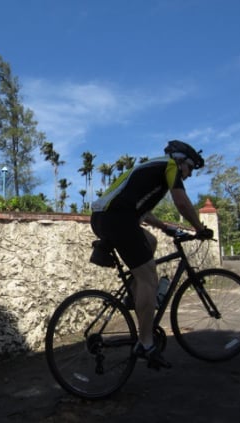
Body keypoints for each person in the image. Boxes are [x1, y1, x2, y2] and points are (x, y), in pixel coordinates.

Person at [89, 140, 213, 370]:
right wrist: (199, 228)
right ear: (180, 160)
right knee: (150, 279)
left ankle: (134, 295)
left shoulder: (152, 168)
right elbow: (182, 202)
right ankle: (146, 344)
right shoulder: (170, 166)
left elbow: (141, 211)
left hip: (107, 217)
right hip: (117, 219)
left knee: (151, 241)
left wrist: (165, 227)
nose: (189, 175)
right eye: (190, 168)